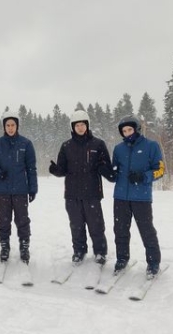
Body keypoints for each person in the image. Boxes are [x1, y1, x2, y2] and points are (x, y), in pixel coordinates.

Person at [48, 110, 113, 265]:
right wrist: (55, 170)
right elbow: (62, 170)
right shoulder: (66, 146)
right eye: (77, 125)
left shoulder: (98, 144)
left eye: (83, 124)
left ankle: (100, 252)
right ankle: (79, 251)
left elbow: (108, 169)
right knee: (76, 226)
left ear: (87, 125)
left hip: (92, 193)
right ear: (73, 127)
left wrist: (102, 167)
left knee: (96, 225)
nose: (80, 127)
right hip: (72, 194)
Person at [111, 115, 165, 278]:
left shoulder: (151, 146)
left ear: (136, 129)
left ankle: (153, 263)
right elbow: (114, 168)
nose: (127, 133)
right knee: (120, 230)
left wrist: (144, 176)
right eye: (124, 131)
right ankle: (122, 259)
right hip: (120, 197)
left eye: (130, 129)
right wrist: (110, 173)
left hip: (141, 197)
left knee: (146, 231)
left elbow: (160, 169)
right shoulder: (118, 149)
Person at [0, 110, 38, 264]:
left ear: (17, 126)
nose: (10, 128)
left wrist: (33, 188)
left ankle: (24, 246)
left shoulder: (26, 144)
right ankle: (5, 246)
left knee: (22, 219)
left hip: (21, 190)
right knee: (3, 219)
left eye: (13, 125)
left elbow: (31, 168)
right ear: (4, 126)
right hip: (2, 190)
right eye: (8, 125)